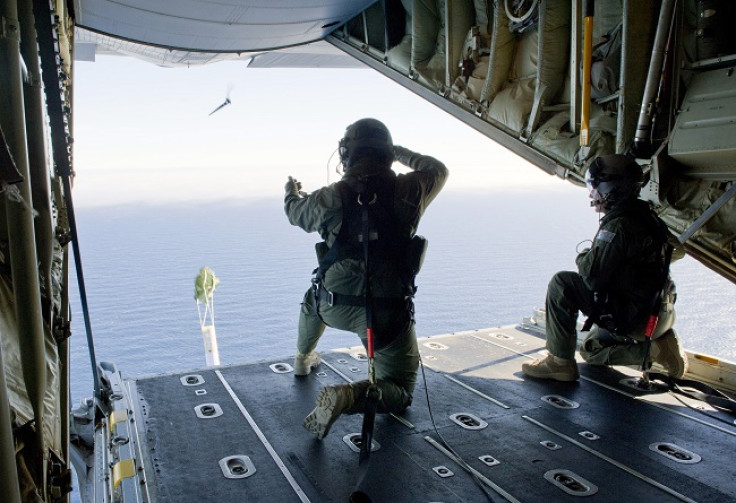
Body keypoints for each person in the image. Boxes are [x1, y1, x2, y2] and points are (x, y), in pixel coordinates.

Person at [284, 118, 448, 439]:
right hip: (387, 316)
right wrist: (396, 151)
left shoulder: (330, 197)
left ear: (348, 155)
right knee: (401, 391)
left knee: (312, 298)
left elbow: (294, 212)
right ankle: (349, 396)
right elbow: (437, 168)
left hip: (333, 306)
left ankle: (303, 359)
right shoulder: (410, 189)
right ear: (386, 153)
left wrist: (291, 193)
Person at [522, 154, 687, 382]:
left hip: (636, 320)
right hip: (661, 314)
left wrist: (584, 256)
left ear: (610, 189)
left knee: (562, 284)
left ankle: (560, 363)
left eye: (594, 187)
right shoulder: (650, 218)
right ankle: (661, 344)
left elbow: (591, 278)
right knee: (591, 347)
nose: (591, 194)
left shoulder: (619, 225)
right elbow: (677, 251)